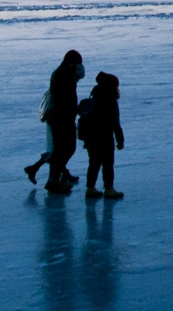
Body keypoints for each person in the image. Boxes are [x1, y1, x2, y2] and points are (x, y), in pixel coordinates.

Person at [34, 50, 84, 193]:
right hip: (62, 119)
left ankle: (54, 179)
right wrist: (74, 110)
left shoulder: (62, 73)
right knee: (65, 149)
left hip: (61, 118)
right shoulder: (64, 75)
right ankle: (53, 181)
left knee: (62, 150)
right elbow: (64, 99)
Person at [79, 71, 125, 200]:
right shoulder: (111, 102)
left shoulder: (93, 100)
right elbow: (115, 123)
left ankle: (90, 188)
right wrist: (120, 140)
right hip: (105, 138)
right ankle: (109, 188)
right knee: (108, 164)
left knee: (94, 163)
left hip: (90, 138)